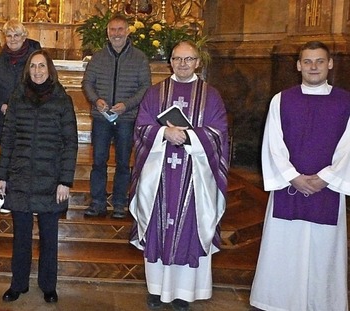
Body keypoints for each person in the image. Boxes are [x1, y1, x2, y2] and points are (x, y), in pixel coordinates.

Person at [128, 40, 229, 311]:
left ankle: (185, 292)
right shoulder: (155, 93)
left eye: (188, 59)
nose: (182, 64)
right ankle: (155, 290)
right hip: (159, 175)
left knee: (188, 229)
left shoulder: (211, 95)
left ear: (198, 62)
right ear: (169, 61)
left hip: (195, 176)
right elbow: (141, 126)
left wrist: (188, 136)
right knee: (157, 226)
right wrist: (164, 133)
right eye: (177, 59)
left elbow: (218, 131)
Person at [250, 41, 350, 311]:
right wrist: (292, 176)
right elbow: (273, 143)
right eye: (307, 61)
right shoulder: (282, 99)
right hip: (289, 187)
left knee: (324, 250)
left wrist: (326, 177)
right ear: (298, 65)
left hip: (327, 189)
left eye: (319, 61)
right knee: (285, 247)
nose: (313, 67)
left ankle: (323, 303)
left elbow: (348, 146)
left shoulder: (345, 101)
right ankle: (278, 302)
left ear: (330, 64)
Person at [0, 50, 78, 304]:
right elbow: (7, 138)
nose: (38, 71)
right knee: (20, 236)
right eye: (33, 66)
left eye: (42, 66)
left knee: (49, 237)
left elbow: (70, 142)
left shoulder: (62, 99)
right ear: (27, 70)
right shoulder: (17, 97)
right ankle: (18, 284)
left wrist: (65, 180)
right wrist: (2, 176)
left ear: (49, 69)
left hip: (50, 178)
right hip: (20, 175)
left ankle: (48, 285)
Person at [82, 13, 151, 219]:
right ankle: (98, 202)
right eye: (113, 30)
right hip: (102, 118)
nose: (116, 34)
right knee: (98, 161)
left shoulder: (139, 58)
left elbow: (145, 87)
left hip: (126, 119)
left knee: (123, 162)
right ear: (107, 33)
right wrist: (96, 100)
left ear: (128, 31)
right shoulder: (98, 57)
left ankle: (120, 203)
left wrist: (127, 105)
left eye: (121, 29)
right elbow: (87, 83)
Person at [0, 19, 41, 145]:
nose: (12, 39)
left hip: (29, 119)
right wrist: (1, 106)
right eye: (9, 36)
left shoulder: (35, 60)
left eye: (16, 35)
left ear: (24, 37)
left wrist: (24, 107)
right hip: (2, 119)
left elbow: (42, 87)